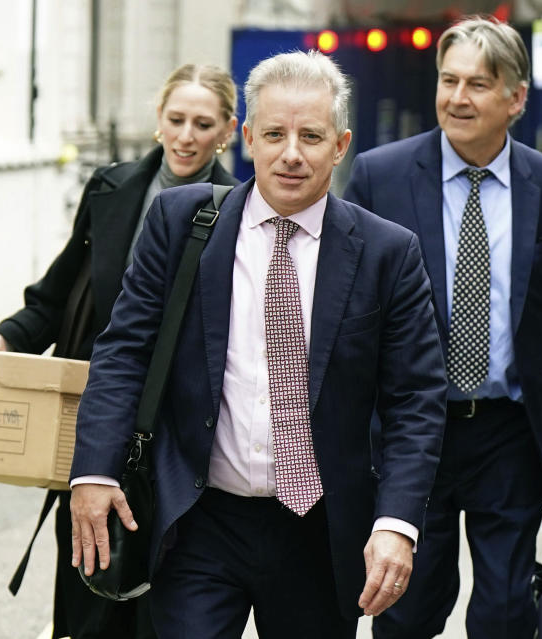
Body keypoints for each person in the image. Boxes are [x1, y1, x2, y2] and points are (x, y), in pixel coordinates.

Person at [68, 50, 447, 639]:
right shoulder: (179, 223)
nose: (291, 153)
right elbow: (124, 352)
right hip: (200, 521)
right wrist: (93, 471)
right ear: (246, 137)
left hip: (318, 535)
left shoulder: (387, 253)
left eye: (311, 136)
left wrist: (397, 521)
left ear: (341, 144)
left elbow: (416, 401)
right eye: (274, 133)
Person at [343, 17, 542, 639]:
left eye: (478, 84)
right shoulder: (380, 178)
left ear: (516, 98)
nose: (457, 98)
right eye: (448, 80)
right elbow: (349, 320)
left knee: (506, 612)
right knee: (408, 609)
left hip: (507, 436)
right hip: (413, 434)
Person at [0, 63, 239, 639]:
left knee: (162, 603)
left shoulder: (237, 209)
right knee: (88, 600)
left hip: (178, 438)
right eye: (176, 120)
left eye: (203, 123)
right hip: (97, 420)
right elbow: (54, 293)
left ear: (227, 131)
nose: (187, 136)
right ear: (158, 123)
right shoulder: (108, 189)